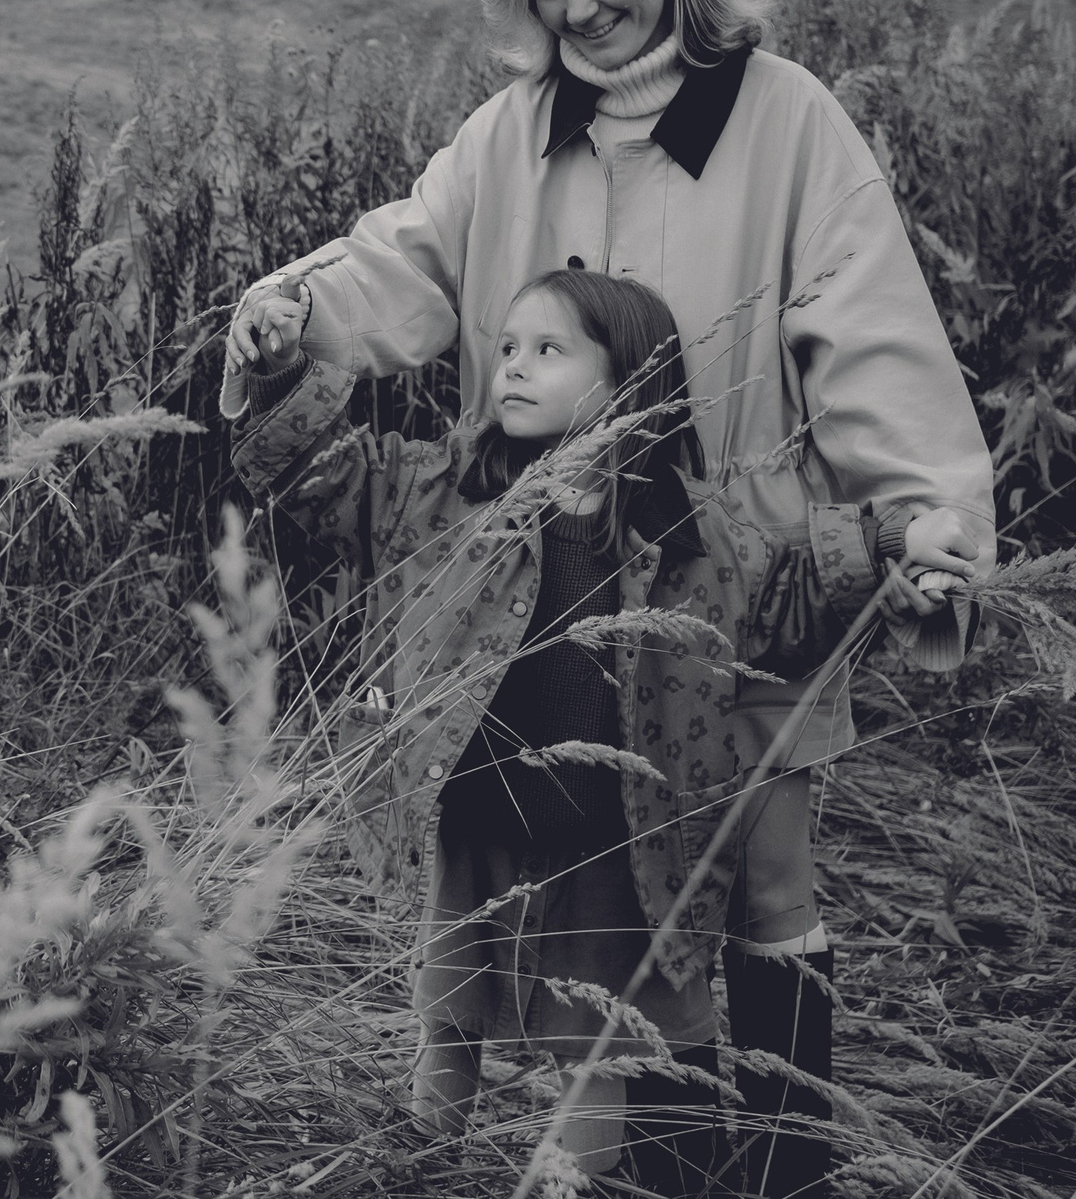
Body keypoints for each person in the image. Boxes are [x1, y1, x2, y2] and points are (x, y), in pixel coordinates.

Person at [221, 0, 996, 1191]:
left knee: (756, 886)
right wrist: (293, 318)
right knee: (601, 900)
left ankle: (784, 1168)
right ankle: (654, 1157)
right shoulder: (507, 136)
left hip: (740, 574)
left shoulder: (788, 120)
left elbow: (870, 328)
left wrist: (925, 518)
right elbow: (397, 264)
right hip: (546, 592)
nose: (577, 7)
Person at [232, 267, 923, 1195]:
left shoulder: (692, 531)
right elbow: (326, 477)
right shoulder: (448, 490)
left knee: (598, 1045)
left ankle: (562, 1184)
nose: (513, 368)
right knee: (452, 1017)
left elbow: (785, 605)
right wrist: (282, 372)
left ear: (630, 380)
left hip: (615, 839)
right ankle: (414, 1170)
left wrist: (880, 544)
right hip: (483, 817)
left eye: (548, 351)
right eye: (508, 347)